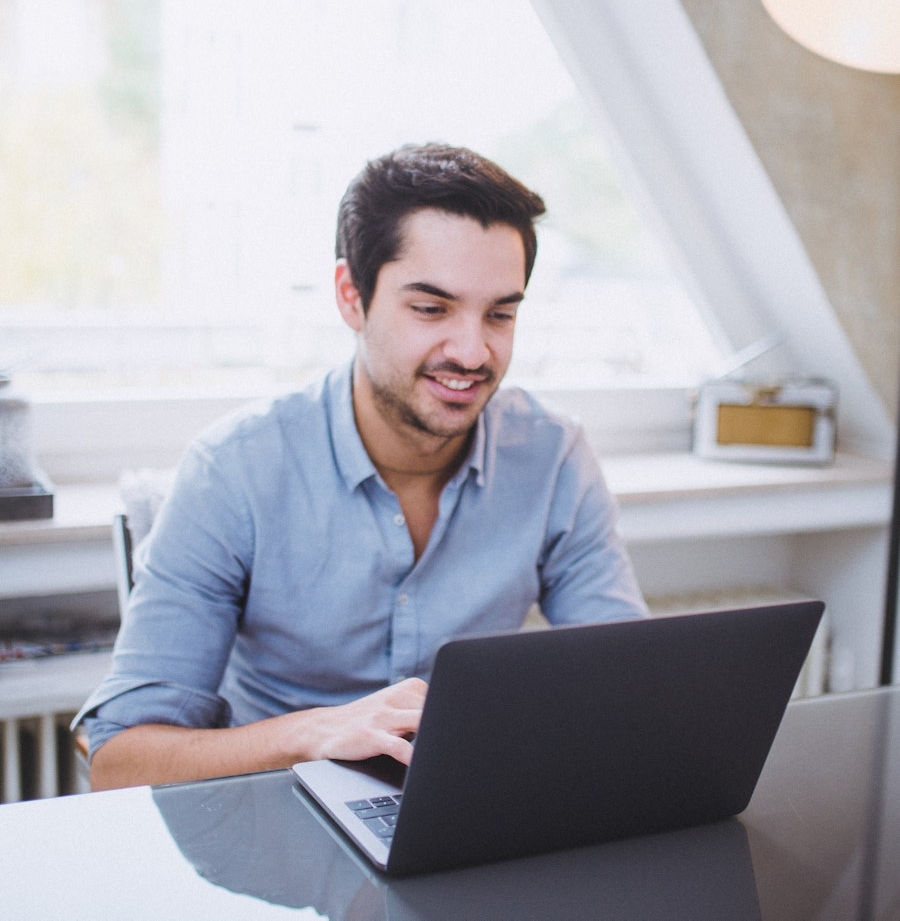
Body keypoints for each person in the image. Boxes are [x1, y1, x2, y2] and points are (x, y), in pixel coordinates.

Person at [76, 142, 647, 791]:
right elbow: (120, 759)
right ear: (352, 296)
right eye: (431, 309)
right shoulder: (232, 471)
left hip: (464, 814)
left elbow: (629, 691)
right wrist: (317, 733)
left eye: (500, 314)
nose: (471, 350)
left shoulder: (553, 458)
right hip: (275, 826)